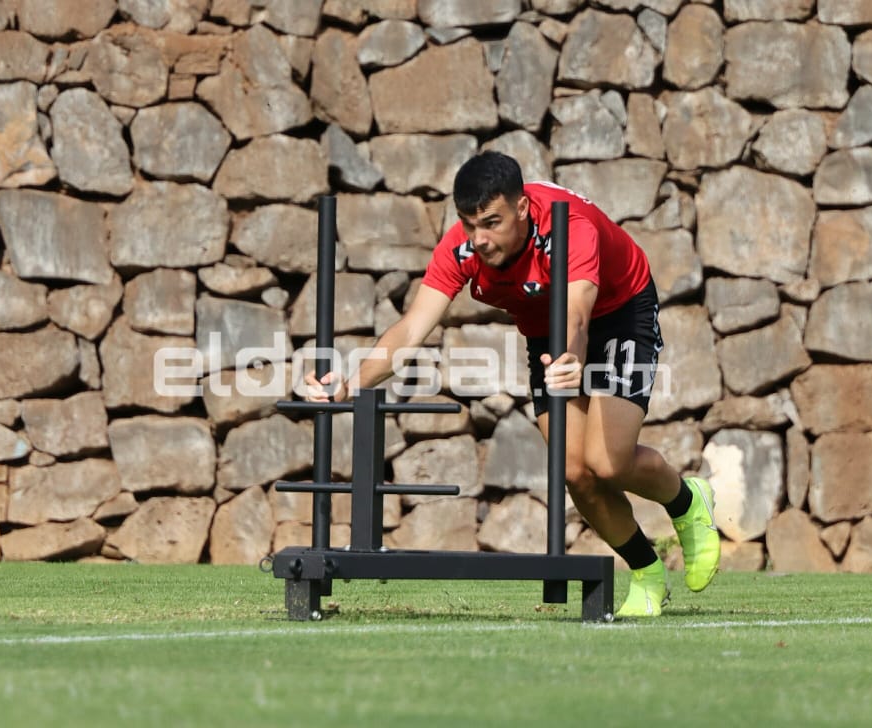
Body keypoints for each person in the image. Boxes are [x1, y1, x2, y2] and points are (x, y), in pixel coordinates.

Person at [304, 151, 719, 617]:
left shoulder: (570, 227)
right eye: (469, 224)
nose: (479, 239)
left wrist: (571, 357)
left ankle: (687, 502)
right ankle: (646, 572)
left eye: (491, 223)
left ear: (522, 208)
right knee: (574, 472)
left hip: (617, 311)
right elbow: (412, 329)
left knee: (608, 461)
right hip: (546, 329)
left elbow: (578, 311)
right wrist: (350, 384)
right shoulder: (462, 248)